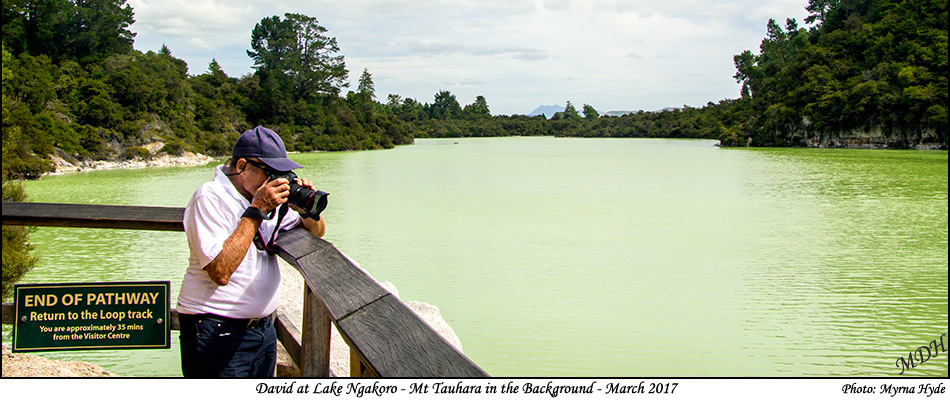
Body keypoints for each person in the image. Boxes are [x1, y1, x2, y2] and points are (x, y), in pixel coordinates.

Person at [176, 126, 325, 377]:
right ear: (242, 165)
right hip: (216, 330)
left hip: (263, 330)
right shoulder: (210, 198)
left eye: (282, 173)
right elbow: (220, 271)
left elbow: (317, 231)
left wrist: (306, 208)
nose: (276, 180)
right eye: (270, 172)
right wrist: (257, 210)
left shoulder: (261, 198)